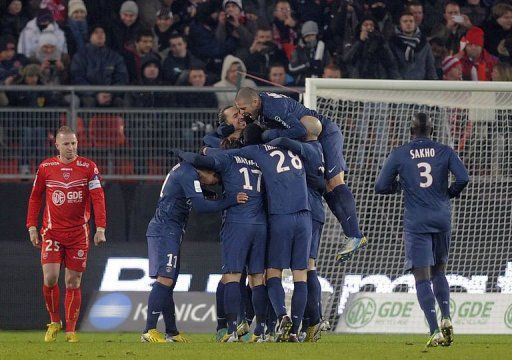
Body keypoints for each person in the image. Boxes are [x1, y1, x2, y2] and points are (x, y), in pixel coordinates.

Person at [204, 123, 311, 343]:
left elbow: (209, 153)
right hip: (300, 217)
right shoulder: (294, 151)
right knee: (292, 275)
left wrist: (207, 150)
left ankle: (237, 327)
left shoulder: (249, 153)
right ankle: (275, 330)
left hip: (267, 218)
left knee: (245, 275)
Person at [234, 87, 366, 263]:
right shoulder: (261, 107)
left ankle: (355, 235)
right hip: (314, 138)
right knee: (326, 188)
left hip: (325, 133)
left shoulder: (273, 108)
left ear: (255, 102)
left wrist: (269, 135)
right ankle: (351, 234)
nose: (242, 113)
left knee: (335, 182)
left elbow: (300, 131)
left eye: (243, 109)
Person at [375, 113, 469, 349]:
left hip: (417, 220)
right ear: (432, 130)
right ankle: (447, 316)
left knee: (422, 278)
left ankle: (435, 329)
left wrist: (400, 186)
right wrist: (449, 194)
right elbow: (463, 178)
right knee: (439, 271)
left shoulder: (400, 153)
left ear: (411, 130)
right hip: (442, 217)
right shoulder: (445, 150)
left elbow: (380, 186)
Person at [141, 161, 248, 342]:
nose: (212, 183)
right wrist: (231, 200)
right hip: (165, 230)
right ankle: (148, 330)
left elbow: (184, 192)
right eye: (214, 179)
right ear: (206, 170)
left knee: (170, 281)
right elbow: (201, 206)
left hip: (170, 230)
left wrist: (207, 193)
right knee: (165, 278)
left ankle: (172, 332)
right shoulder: (188, 173)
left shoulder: (185, 171)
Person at [177, 136, 268, 343]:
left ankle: (232, 331)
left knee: (232, 276)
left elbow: (199, 160)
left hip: (238, 222)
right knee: (256, 278)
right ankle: (261, 331)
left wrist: (180, 153)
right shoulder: (258, 161)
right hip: (261, 224)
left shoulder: (227, 159)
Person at [26, 126, 107, 343]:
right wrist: (32, 227)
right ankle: (54, 322)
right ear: (57, 145)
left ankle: (71, 330)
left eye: (73, 143)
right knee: (50, 278)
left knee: (73, 281)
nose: (70, 148)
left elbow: (98, 197)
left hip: (79, 233)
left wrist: (100, 228)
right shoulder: (46, 167)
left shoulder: (88, 167)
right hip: (52, 232)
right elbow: (35, 198)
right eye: (66, 144)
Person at [267, 116, 325, 343]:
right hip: (312, 213)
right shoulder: (317, 150)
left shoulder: (305, 149)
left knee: (286, 269)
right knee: (307, 268)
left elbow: (282, 141)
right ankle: (306, 325)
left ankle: (309, 322)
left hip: (300, 211)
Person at [389, 11, 437, 80]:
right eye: (405, 21)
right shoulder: (393, 43)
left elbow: (430, 66)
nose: (408, 23)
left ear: (415, 24)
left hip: (421, 85)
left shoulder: (424, 43)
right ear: (400, 24)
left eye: (411, 21)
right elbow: (392, 67)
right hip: (400, 84)